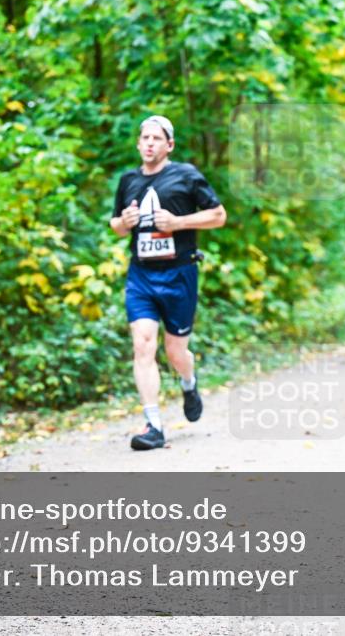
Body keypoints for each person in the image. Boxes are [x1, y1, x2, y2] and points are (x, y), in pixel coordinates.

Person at [110, 116, 226, 451]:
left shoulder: (186, 176)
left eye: (157, 138)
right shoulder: (128, 180)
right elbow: (116, 224)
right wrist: (123, 222)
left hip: (180, 274)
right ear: (138, 143)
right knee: (143, 345)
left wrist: (178, 222)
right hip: (142, 275)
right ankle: (154, 425)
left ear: (169, 145)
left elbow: (218, 215)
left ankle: (188, 383)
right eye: (145, 138)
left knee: (176, 351)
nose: (149, 143)